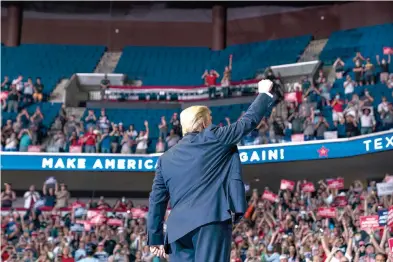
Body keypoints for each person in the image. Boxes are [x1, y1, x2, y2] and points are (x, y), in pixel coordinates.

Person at [147, 79, 277, 262]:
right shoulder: (214, 138)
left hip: (177, 230)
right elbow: (246, 123)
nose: (211, 125)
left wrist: (155, 237)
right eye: (209, 121)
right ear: (202, 123)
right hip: (210, 221)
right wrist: (263, 93)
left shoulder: (165, 158)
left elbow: (156, 200)